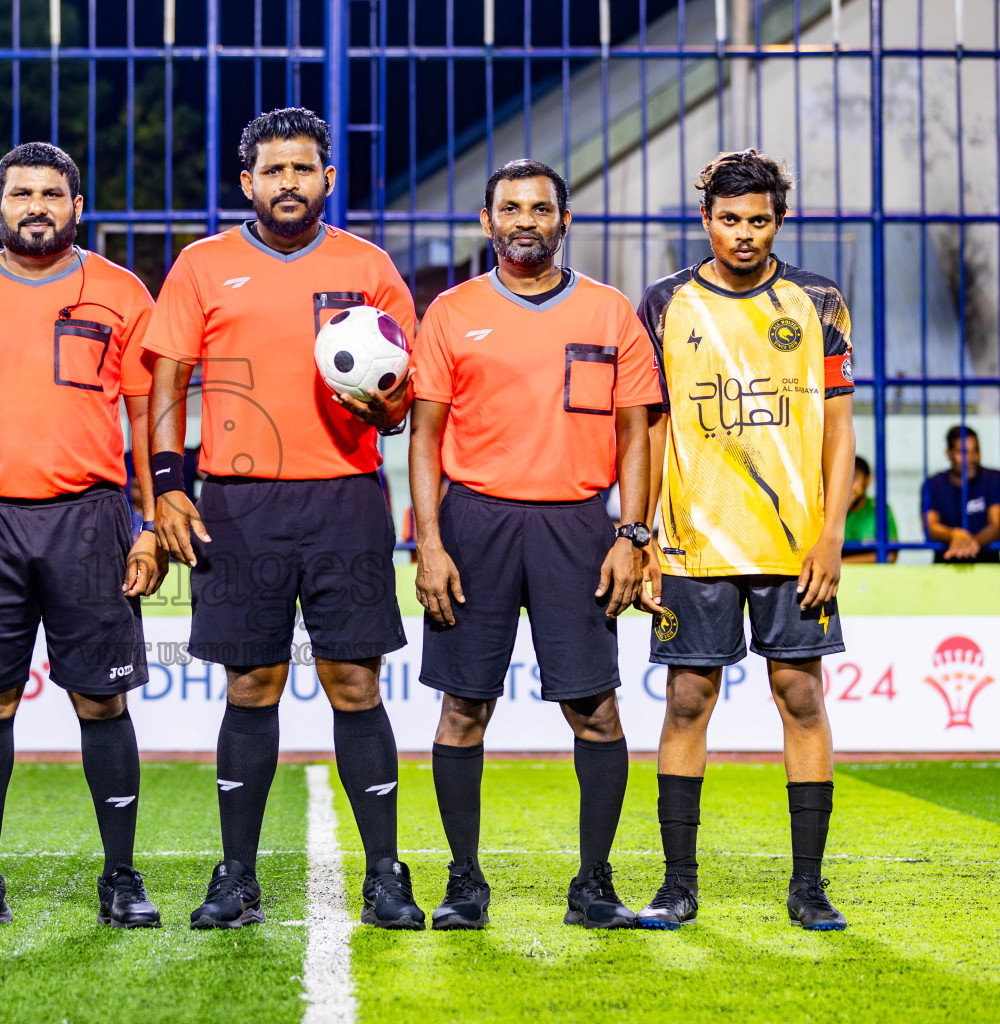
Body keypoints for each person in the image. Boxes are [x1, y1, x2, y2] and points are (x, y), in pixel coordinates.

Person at [147, 108, 422, 930]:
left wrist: (389, 398)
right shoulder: (202, 267)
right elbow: (165, 384)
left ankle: (385, 875)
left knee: (355, 682)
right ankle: (235, 877)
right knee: (250, 683)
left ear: (328, 180)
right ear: (248, 183)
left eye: (304, 170)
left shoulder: (368, 267)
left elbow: (402, 407)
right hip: (239, 504)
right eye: (274, 171)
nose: (289, 184)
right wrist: (165, 484)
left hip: (345, 498)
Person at [0, 142, 167, 930]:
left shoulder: (121, 292)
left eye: (52, 192)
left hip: (91, 518)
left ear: (77, 206)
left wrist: (151, 525)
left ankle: (120, 876)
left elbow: (147, 419)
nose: (36, 205)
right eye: (21, 193)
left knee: (101, 698)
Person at [411, 159, 661, 931]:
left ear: (564, 220)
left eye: (541, 208)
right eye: (511, 208)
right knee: (463, 711)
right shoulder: (451, 312)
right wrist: (429, 542)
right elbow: (422, 436)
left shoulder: (611, 312)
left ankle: (593, 885)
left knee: (595, 711)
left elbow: (638, 435)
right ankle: (464, 883)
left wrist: (632, 533)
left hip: (578, 527)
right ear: (488, 223)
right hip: (476, 524)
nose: (526, 220)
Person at [637, 150, 855, 931]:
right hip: (695, 543)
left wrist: (830, 535)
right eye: (729, 220)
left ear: (779, 221)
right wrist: (646, 538)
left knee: (800, 695)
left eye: (758, 220)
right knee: (688, 697)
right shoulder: (664, 304)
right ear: (706, 221)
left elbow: (837, 426)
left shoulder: (819, 300)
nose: (743, 234)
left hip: (794, 546)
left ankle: (808, 885)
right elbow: (653, 428)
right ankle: (677, 883)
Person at [922, 425, 1000, 564]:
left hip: (989, 569)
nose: (971, 458)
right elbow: (930, 527)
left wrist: (969, 543)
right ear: (949, 453)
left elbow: (996, 525)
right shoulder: (934, 484)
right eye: (963, 452)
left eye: (975, 451)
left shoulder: (993, 479)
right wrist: (955, 534)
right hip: (945, 568)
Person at [843, 456, 898, 563]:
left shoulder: (879, 509)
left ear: (868, 480)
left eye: (854, 477)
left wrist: (844, 562)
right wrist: (845, 506)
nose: (849, 483)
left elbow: (891, 555)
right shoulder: (828, 508)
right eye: (844, 477)